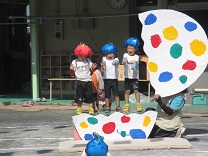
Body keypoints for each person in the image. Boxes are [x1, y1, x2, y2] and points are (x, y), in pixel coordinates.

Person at [70, 43, 96, 115]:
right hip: (79, 81)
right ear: (78, 54)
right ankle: (79, 108)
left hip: (88, 80)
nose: (83, 57)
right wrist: (71, 69)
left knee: (89, 95)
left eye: (84, 55)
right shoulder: (75, 62)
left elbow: (92, 70)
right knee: (79, 95)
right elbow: (72, 73)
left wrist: (93, 68)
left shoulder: (88, 61)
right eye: (81, 55)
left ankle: (90, 108)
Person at [122, 37, 142, 112]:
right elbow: (124, 60)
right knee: (127, 91)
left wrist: (133, 66)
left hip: (134, 77)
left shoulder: (136, 56)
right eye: (128, 48)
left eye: (132, 48)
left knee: (136, 91)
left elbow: (135, 62)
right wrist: (124, 61)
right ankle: (126, 104)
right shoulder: (125, 55)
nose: (130, 50)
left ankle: (138, 104)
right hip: (127, 77)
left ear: (135, 49)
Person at [101, 43, 121, 113]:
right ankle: (107, 106)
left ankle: (118, 106)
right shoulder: (104, 60)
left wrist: (115, 62)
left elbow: (116, 62)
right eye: (108, 54)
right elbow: (103, 64)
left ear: (115, 54)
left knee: (116, 94)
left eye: (112, 53)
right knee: (107, 95)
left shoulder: (116, 59)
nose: (110, 55)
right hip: (106, 79)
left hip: (114, 79)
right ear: (105, 54)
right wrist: (102, 66)